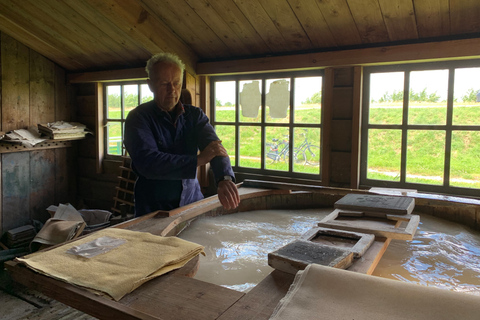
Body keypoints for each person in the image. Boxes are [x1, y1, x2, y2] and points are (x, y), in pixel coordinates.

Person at [124, 53, 240, 217]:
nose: (172, 89)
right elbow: (148, 163)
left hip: (192, 201)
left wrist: (225, 178)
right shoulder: (138, 118)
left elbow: (214, 147)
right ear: (150, 85)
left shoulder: (194, 115)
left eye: (177, 83)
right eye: (164, 83)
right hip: (154, 208)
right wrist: (199, 160)